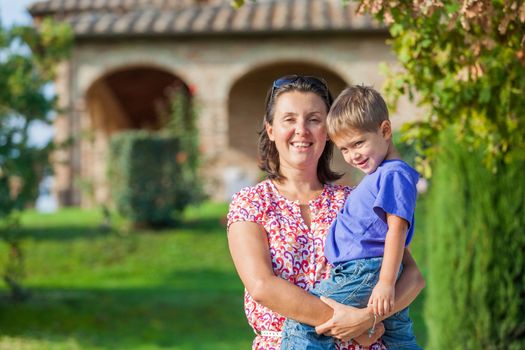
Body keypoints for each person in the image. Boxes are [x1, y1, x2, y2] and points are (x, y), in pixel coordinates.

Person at [227, 75, 425, 350]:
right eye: (289, 119)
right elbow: (262, 286)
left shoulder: (353, 199)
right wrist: (349, 325)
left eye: (314, 119)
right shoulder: (251, 202)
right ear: (270, 129)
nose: (302, 130)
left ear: (328, 131)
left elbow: (412, 276)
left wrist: (367, 318)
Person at [280, 85, 421, 350]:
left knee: (300, 325)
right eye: (344, 149)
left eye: (358, 143)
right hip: (369, 270)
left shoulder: (393, 175)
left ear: (385, 131)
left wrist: (385, 283)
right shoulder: (382, 175)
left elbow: (397, 231)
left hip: (364, 271)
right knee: (399, 337)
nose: (353, 155)